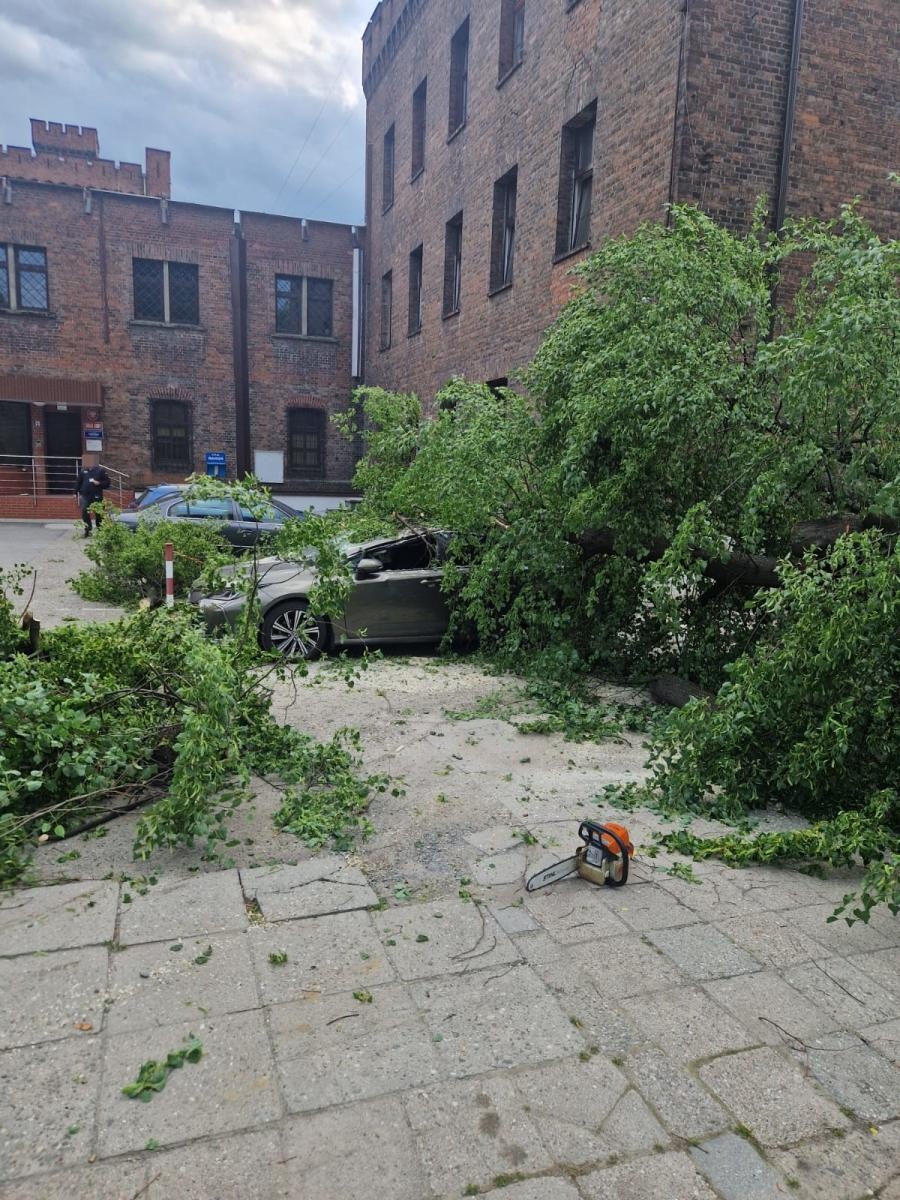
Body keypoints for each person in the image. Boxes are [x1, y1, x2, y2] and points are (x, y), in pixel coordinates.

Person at [74, 454, 111, 538]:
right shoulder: (83, 471)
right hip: (85, 496)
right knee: (84, 512)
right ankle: (88, 530)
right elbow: (78, 482)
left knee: (99, 513)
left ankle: (100, 530)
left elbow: (107, 483)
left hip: (97, 495)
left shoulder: (100, 471)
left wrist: (99, 483)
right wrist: (75, 492)